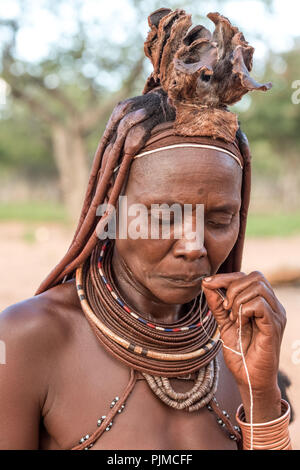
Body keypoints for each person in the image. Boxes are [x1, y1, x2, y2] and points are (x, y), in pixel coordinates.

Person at [0, 8, 292, 450]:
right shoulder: (28, 342)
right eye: (163, 216)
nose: (194, 246)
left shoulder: (250, 353)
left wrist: (263, 394)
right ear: (110, 213)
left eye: (219, 220)